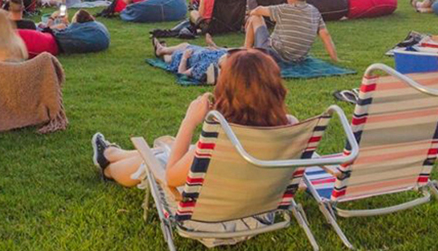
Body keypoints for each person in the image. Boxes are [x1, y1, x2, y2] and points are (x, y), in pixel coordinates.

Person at [91, 50, 293, 188]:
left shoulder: (218, 141)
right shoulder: (290, 128)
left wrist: (190, 121)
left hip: (214, 217)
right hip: (259, 208)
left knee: (156, 162)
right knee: (169, 151)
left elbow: (171, 177)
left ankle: (108, 168)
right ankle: (112, 152)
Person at [244, 0, 338, 63]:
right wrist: (335, 59)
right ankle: (247, 51)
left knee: (255, 18)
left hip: (274, 53)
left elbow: (259, 10)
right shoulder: (314, 11)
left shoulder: (284, 9)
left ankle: (245, 52)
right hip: (297, 58)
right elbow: (325, 35)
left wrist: (250, 13)